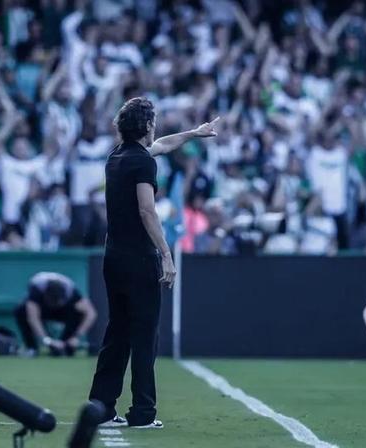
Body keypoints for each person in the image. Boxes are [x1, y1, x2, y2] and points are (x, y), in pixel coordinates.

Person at [88, 97, 219, 428]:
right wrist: (165, 253)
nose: (156, 127)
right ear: (145, 125)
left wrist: (194, 133)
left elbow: (163, 144)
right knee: (145, 336)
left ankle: (101, 407)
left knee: (117, 334)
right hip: (138, 259)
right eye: (154, 121)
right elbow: (147, 209)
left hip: (113, 258)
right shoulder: (142, 164)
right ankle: (143, 413)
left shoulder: (117, 157)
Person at [12, 271, 97, 357]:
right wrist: (47, 340)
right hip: (42, 310)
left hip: (64, 312)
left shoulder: (72, 293)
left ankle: (66, 346)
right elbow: (33, 318)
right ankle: (32, 348)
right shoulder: (36, 290)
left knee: (78, 312)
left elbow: (91, 313)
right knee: (21, 311)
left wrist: (76, 337)